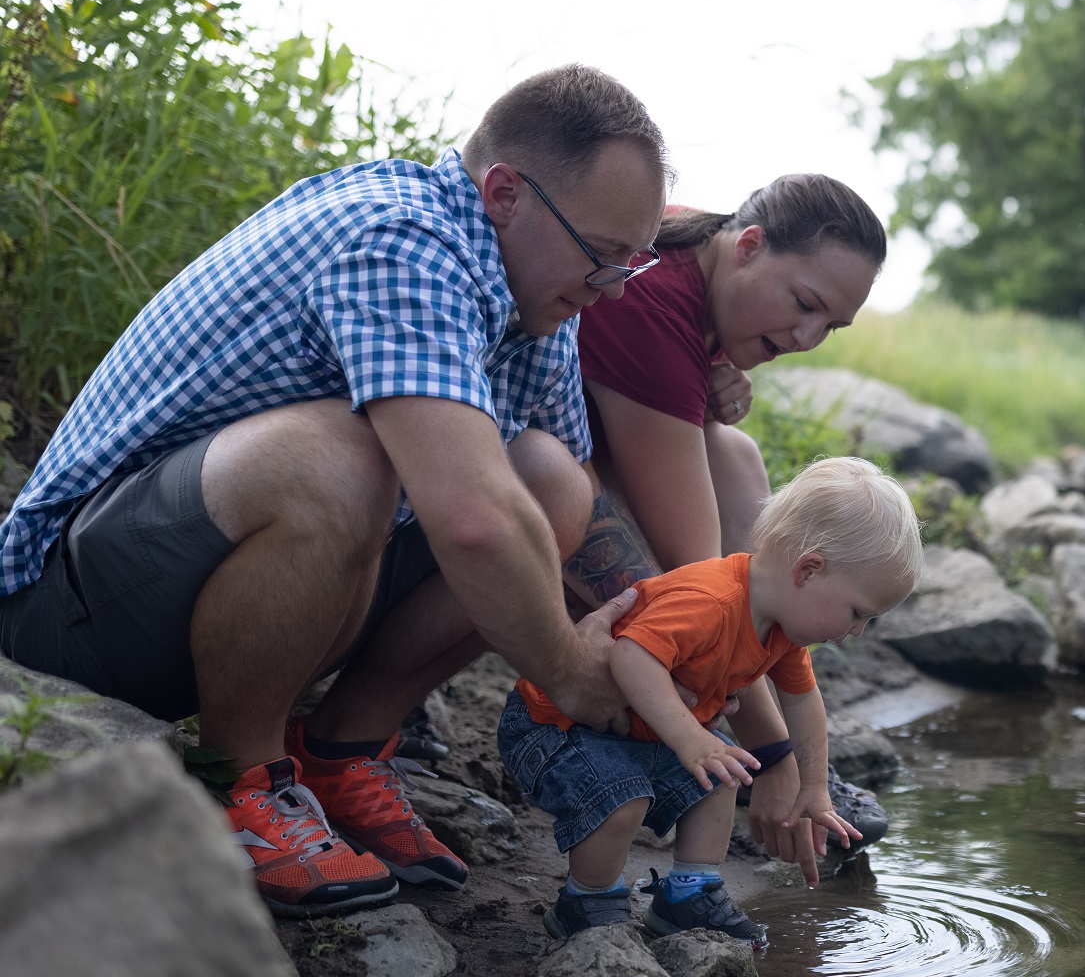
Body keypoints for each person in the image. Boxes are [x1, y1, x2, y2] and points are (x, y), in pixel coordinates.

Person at [0, 64, 666, 917]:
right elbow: (469, 522)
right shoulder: (403, 239)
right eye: (602, 256)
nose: (609, 288)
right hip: (71, 613)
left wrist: (675, 646)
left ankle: (339, 753)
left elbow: (559, 492)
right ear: (505, 192)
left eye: (630, 266)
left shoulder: (531, 287)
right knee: (347, 457)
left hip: (210, 590)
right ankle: (237, 785)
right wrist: (572, 673)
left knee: (548, 488)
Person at [563, 174, 891, 884]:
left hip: (564, 448)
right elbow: (705, 588)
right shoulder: (654, 299)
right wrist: (778, 764)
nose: (807, 338)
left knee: (737, 455)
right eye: (804, 304)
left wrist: (713, 370)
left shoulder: (700, 256)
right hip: (519, 466)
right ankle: (740, 757)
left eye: (829, 326)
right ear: (747, 246)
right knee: (697, 595)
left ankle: (772, 755)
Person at [499, 457, 921, 942]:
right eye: (858, 613)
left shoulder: (781, 631)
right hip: (557, 726)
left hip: (640, 732)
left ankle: (688, 894)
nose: (856, 632)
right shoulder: (711, 600)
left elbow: (804, 702)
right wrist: (690, 738)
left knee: (724, 778)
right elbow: (632, 657)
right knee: (622, 796)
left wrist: (813, 788)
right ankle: (587, 901)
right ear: (809, 570)